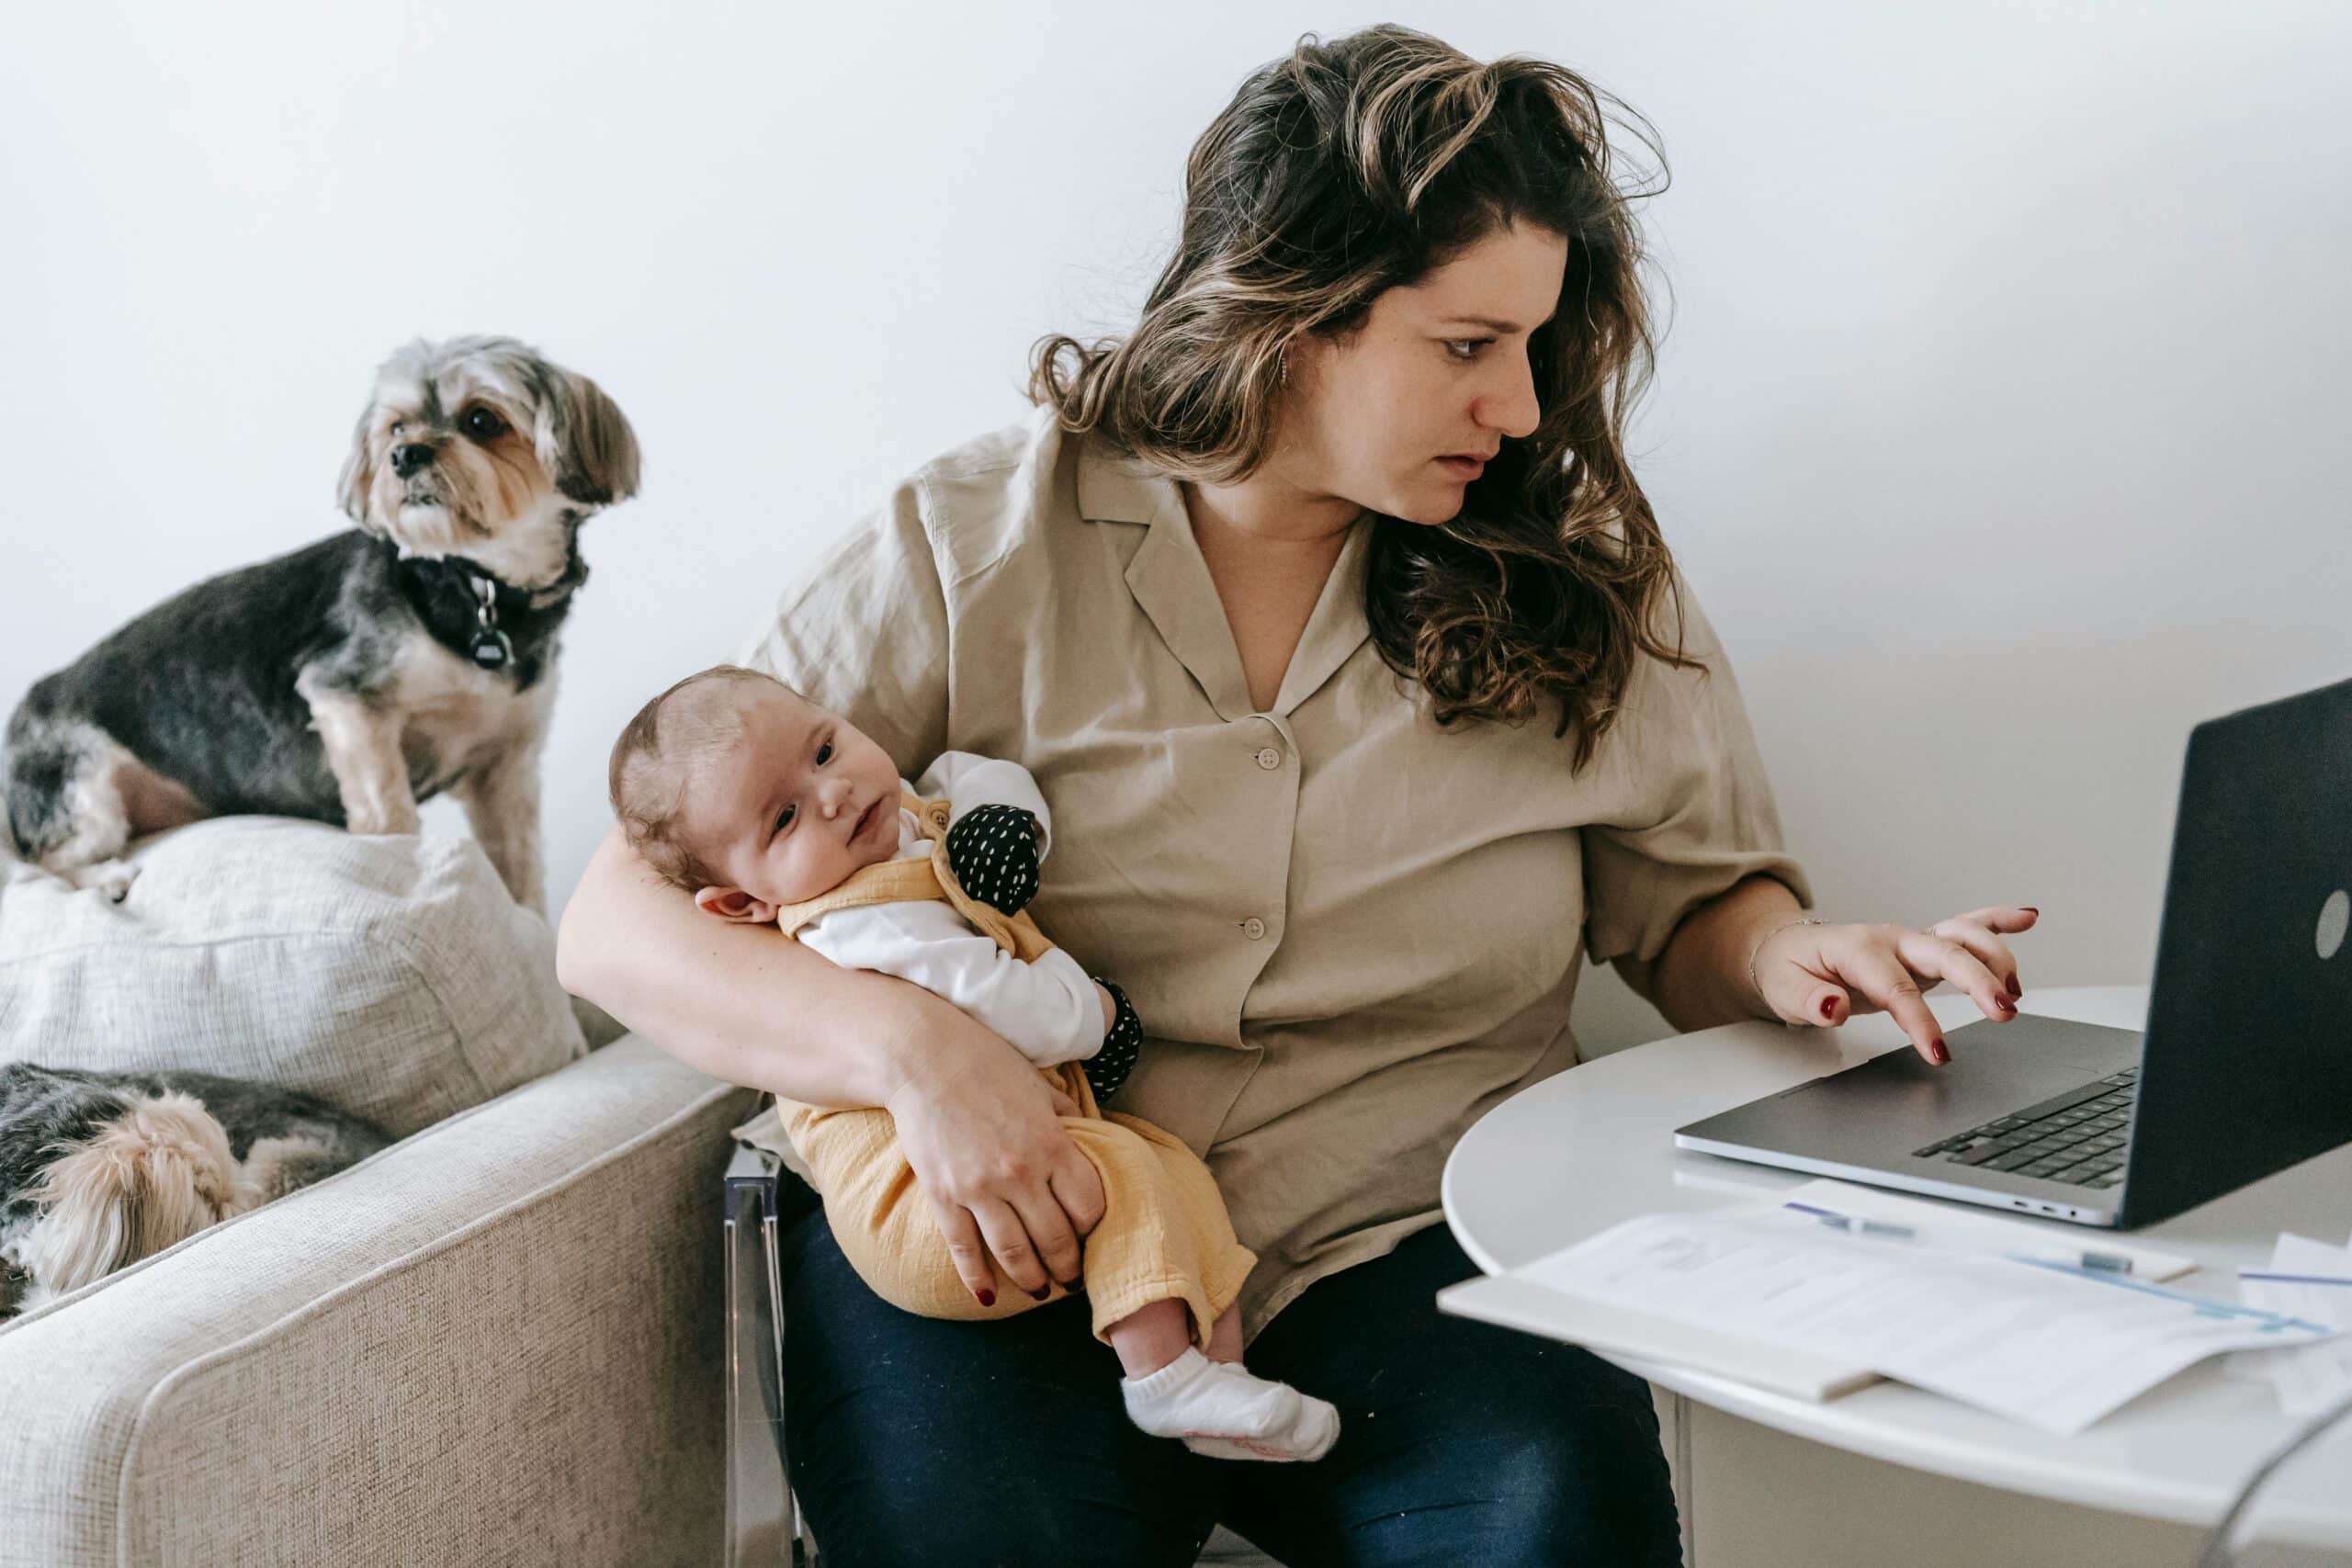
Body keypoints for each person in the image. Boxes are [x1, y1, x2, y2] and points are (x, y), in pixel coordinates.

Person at [560, 24, 2036, 1565]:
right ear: (1287, 311)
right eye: (1467, 347)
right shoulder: (974, 539)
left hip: (1410, 1235)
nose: (1522, 408)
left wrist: (1790, 958)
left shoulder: (1575, 561)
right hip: (1013, 1229)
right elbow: (615, 924)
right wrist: (916, 1045)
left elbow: (1690, 906)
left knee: (1560, 1532)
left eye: (1533, 346)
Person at [604, 664, 1339, 1461]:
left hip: (1007, 1150)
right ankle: (1160, 1376)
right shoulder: (854, 924)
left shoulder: (900, 818)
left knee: (1174, 1170)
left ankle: (1217, 1380)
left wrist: (1004, 819)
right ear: (744, 904)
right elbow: (1000, 1001)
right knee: (1127, 1174)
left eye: (824, 749)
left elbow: (967, 773)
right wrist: (1094, 1014)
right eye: (784, 817)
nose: (835, 794)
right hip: (924, 1207)